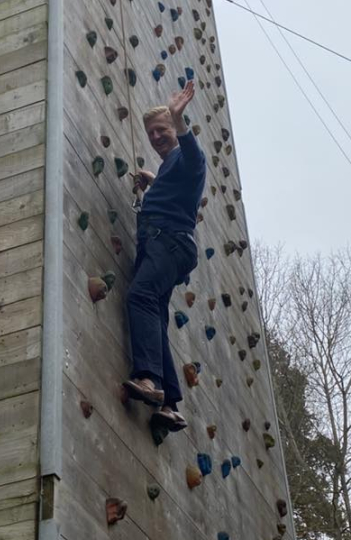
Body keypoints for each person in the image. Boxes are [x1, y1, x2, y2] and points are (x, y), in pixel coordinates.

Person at [123, 81, 206, 433]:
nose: (156, 136)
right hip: (167, 244)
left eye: (163, 130)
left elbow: (193, 157)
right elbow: (176, 186)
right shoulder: (172, 167)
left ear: (175, 130)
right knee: (154, 316)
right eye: (151, 133)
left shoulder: (189, 161)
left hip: (167, 242)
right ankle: (170, 403)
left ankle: (147, 379)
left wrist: (178, 117)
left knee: (139, 296)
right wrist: (154, 183)